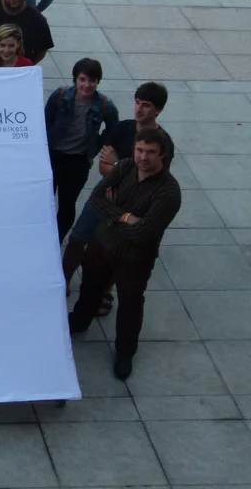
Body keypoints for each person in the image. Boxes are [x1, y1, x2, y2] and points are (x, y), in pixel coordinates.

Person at [68, 128, 182, 380]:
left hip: (134, 258)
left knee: (130, 304)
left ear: (162, 155)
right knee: (90, 287)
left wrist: (112, 213)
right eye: (140, 150)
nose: (143, 157)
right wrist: (126, 217)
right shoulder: (126, 167)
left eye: (150, 152)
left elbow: (142, 234)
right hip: (101, 245)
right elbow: (96, 199)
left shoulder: (169, 192)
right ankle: (79, 321)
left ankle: (125, 353)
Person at [63, 82, 173, 313]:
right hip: (105, 197)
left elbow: (154, 179)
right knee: (77, 238)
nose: (139, 109)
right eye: (137, 102)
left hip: (132, 206)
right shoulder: (122, 129)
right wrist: (119, 168)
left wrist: (117, 166)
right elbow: (103, 167)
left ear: (158, 110)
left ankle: (104, 293)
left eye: (146, 105)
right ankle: (63, 281)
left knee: (116, 252)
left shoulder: (163, 143)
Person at [45, 58, 119, 244]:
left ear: (98, 81)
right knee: (44, 202)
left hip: (78, 162)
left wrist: (95, 147)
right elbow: (44, 121)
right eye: (82, 79)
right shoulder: (60, 96)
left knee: (67, 205)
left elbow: (113, 130)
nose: (87, 85)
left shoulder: (105, 105)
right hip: (53, 156)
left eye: (92, 80)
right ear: (75, 79)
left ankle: (55, 241)